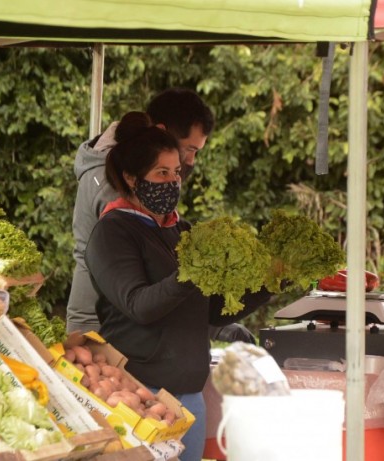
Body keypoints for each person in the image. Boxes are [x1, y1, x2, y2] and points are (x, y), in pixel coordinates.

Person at [85, 112, 272, 461]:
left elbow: (215, 309)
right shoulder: (113, 231)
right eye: (161, 173)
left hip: (190, 398)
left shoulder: (180, 230)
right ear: (131, 178)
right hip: (141, 396)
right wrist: (191, 273)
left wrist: (272, 282)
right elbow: (138, 304)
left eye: (176, 173)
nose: (172, 182)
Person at [67, 88, 256, 343]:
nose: (191, 161)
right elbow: (145, 291)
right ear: (161, 131)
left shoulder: (140, 180)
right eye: (189, 149)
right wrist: (212, 326)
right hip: (101, 329)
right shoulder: (114, 185)